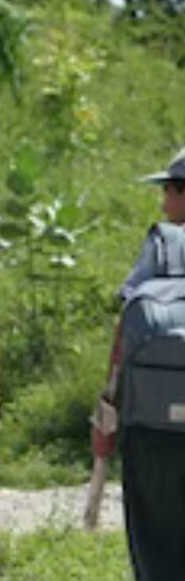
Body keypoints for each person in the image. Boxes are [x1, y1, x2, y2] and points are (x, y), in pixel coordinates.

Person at [91, 146, 185, 580]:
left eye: (168, 190)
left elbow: (124, 334)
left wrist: (107, 411)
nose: (164, 202)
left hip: (152, 426)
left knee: (154, 543)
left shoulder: (164, 244)